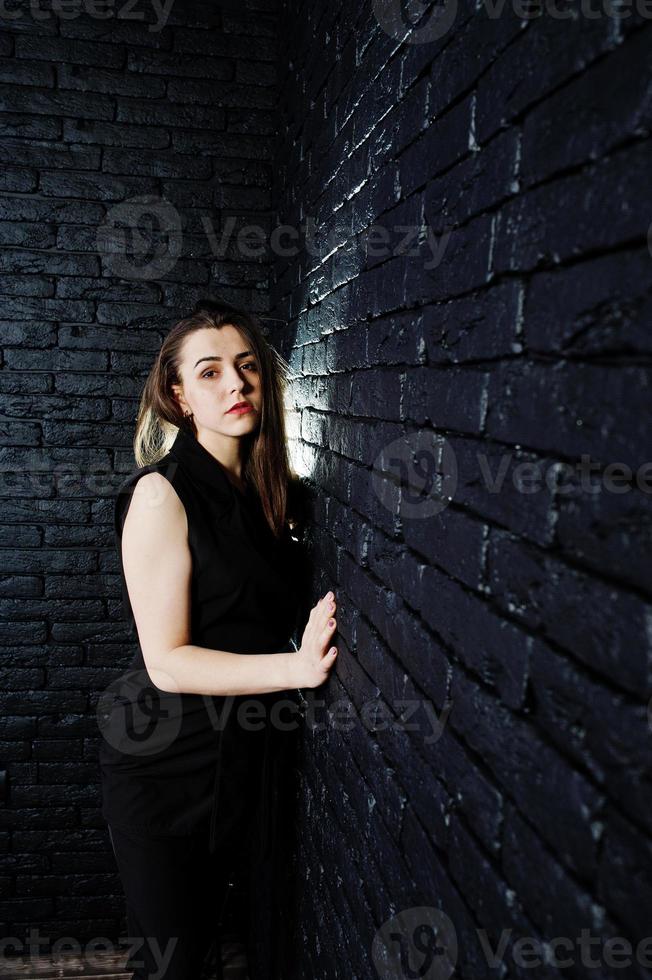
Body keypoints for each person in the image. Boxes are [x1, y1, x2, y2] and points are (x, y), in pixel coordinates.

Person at [97, 298, 339, 980]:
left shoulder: (274, 495)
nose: (236, 384)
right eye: (210, 372)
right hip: (164, 766)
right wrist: (296, 667)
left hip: (244, 757)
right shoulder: (160, 495)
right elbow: (168, 662)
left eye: (246, 367)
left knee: (224, 949)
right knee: (174, 963)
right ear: (178, 395)